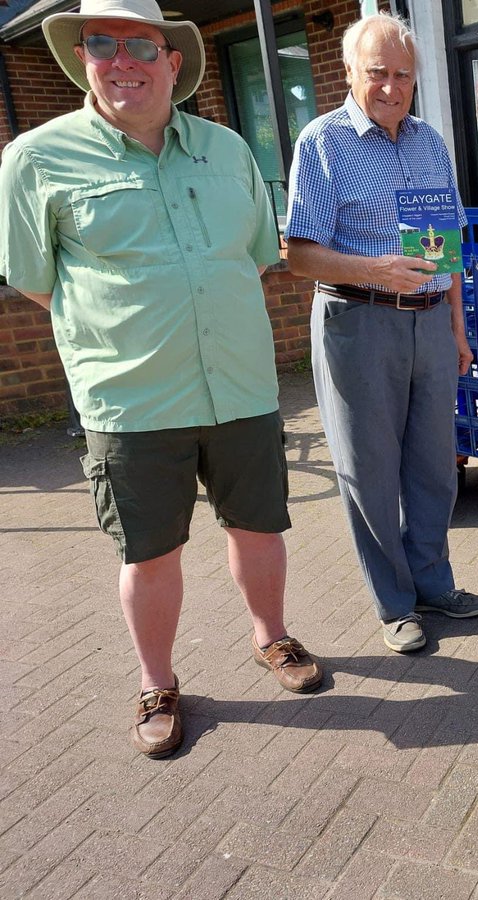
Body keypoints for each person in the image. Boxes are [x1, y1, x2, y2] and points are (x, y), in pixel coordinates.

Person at [0, 0, 322, 760]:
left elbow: (251, 253)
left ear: (173, 61)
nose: (123, 60)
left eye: (140, 45)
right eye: (103, 44)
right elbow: (37, 281)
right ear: (83, 57)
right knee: (148, 553)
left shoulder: (227, 149)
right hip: (133, 399)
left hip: (239, 385)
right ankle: (156, 681)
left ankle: (270, 637)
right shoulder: (35, 160)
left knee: (261, 527)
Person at [286, 13, 478, 655]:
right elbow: (299, 255)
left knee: (434, 466)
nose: (391, 86)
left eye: (403, 75)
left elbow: (449, 246)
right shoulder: (322, 143)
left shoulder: (430, 142)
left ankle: (433, 584)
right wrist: (376, 269)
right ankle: (395, 603)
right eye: (378, 72)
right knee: (369, 470)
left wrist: (458, 331)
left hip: (430, 326)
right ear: (350, 72)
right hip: (358, 322)